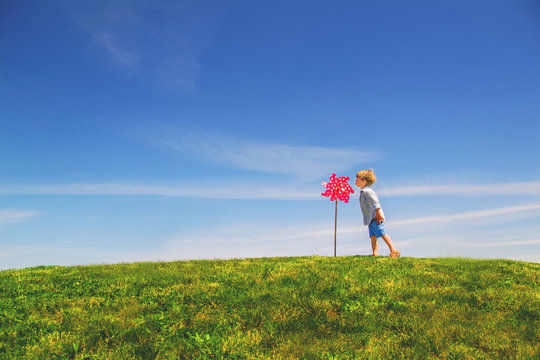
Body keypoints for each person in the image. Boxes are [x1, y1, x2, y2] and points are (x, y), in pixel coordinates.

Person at [355, 169, 400, 258]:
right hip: (370, 218)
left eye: (357, 179)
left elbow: (375, 203)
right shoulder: (363, 192)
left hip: (376, 217)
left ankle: (393, 250)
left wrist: (378, 214)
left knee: (382, 233)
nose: (355, 182)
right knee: (373, 236)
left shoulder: (367, 192)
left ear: (364, 181)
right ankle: (375, 253)